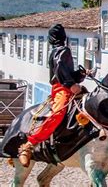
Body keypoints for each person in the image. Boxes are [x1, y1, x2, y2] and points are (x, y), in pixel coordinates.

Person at [18, 24, 87, 167]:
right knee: (58, 113)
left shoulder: (60, 50)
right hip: (62, 88)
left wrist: (80, 74)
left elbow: (65, 71)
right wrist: (71, 85)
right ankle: (30, 143)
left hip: (66, 85)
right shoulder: (62, 51)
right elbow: (60, 68)